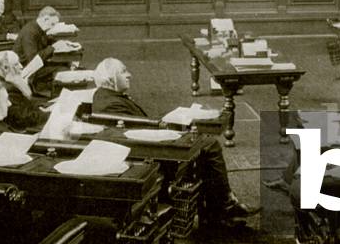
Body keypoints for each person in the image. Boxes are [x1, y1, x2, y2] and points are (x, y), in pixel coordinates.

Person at [91, 58, 259, 226]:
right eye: (123, 71)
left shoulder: (108, 97)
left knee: (206, 143)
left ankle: (217, 210)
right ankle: (223, 207)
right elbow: (138, 133)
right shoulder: (111, 104)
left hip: (146, 146)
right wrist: (170, 126)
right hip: (150, 154)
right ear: (111, 78)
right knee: (209, 145)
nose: (129, 75)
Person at [15, 6, 76, 90]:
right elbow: (33, 60)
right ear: (45, 19)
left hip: (36, 64)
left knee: (66, 64)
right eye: (52, 24)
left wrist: (62, 43)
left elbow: (47, 40)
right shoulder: (29, 32)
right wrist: (53, 47)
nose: (53, 27)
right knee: (64, 68)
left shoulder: (38, 28)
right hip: (27, 69)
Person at [0, 50, 48, 131]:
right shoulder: (8, 88)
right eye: (16, 64)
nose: (21, 66)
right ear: (6, 68)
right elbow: (26, 118)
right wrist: (53, 114)